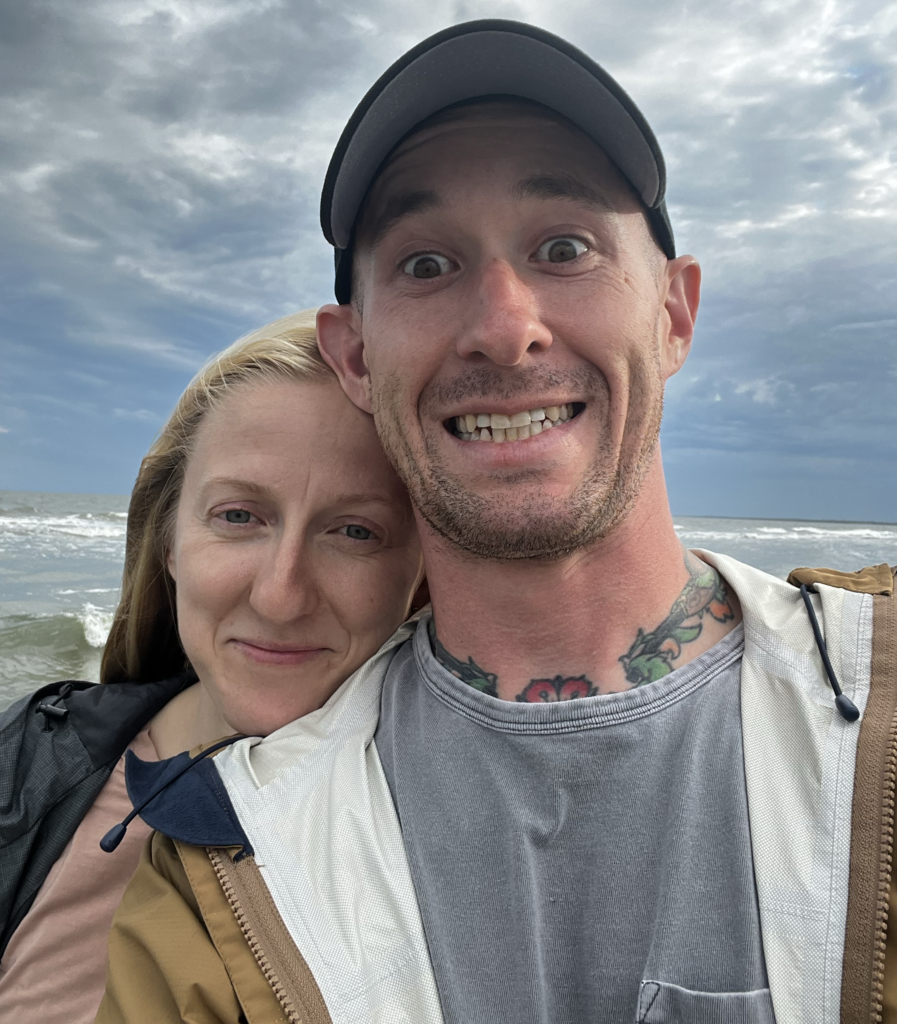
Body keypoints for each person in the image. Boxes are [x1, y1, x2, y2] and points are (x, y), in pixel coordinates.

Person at [98, 20, 897, 1024]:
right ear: (352, 355)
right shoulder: (225, 866)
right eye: (427, 264)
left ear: (675, 314)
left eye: (564, 247)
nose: (504, 324)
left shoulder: (876, 704)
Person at [0, 309, 423, 1023]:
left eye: (356, 531)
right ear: (168, 542)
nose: (281, 595)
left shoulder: (453, 827)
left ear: (421, 578)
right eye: (237, 516)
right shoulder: (30, 757)